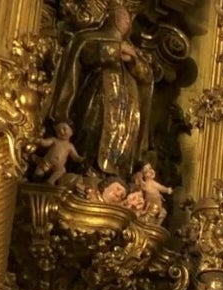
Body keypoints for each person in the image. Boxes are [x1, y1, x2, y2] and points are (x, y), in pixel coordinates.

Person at [49, 6, 154, 178]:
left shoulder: (133, 49)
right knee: (92, 130)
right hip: (98, 96)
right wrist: (114, 51)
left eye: (128, 18)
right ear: (110, 18)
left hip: (127, 108)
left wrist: (133, 59)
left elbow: (146, 76)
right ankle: (85, 171)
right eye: (121, 17)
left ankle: (115, 178)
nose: (126, 21)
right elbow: (84, 55)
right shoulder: (91, 39)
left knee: (122, 139)